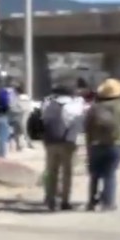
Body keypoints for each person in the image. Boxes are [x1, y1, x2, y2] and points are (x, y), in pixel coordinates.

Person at [85, 78, 120, 211]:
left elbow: (87, 127)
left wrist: (88, 144)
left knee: (94, 175)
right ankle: (108, 203)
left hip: (96, 144)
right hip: (114, 144)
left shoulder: (94, 107)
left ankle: (91, 201)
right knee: (110, 175)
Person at [40, 83, 85, 211]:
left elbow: (42, 120)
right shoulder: (75, 106)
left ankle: (50, 198)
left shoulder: (48, 104)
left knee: (50, 171)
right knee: (67, 173)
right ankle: (65, 201)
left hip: (50, 141)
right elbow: (79, 124)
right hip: (68, 143)